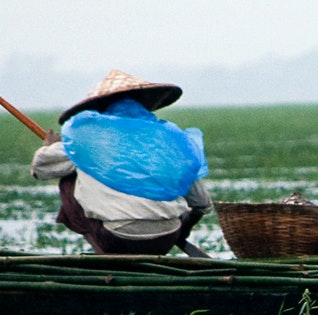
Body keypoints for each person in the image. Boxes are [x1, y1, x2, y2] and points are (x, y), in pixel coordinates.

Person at [30, 69, 212, 255]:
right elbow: (202, 204)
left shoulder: (86, 140)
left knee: (68, 181)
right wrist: (182, 232)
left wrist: (50, 147)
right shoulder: (168, 141)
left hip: (117, 238)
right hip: (168, 236)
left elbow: (40, 167)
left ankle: (103, 254)